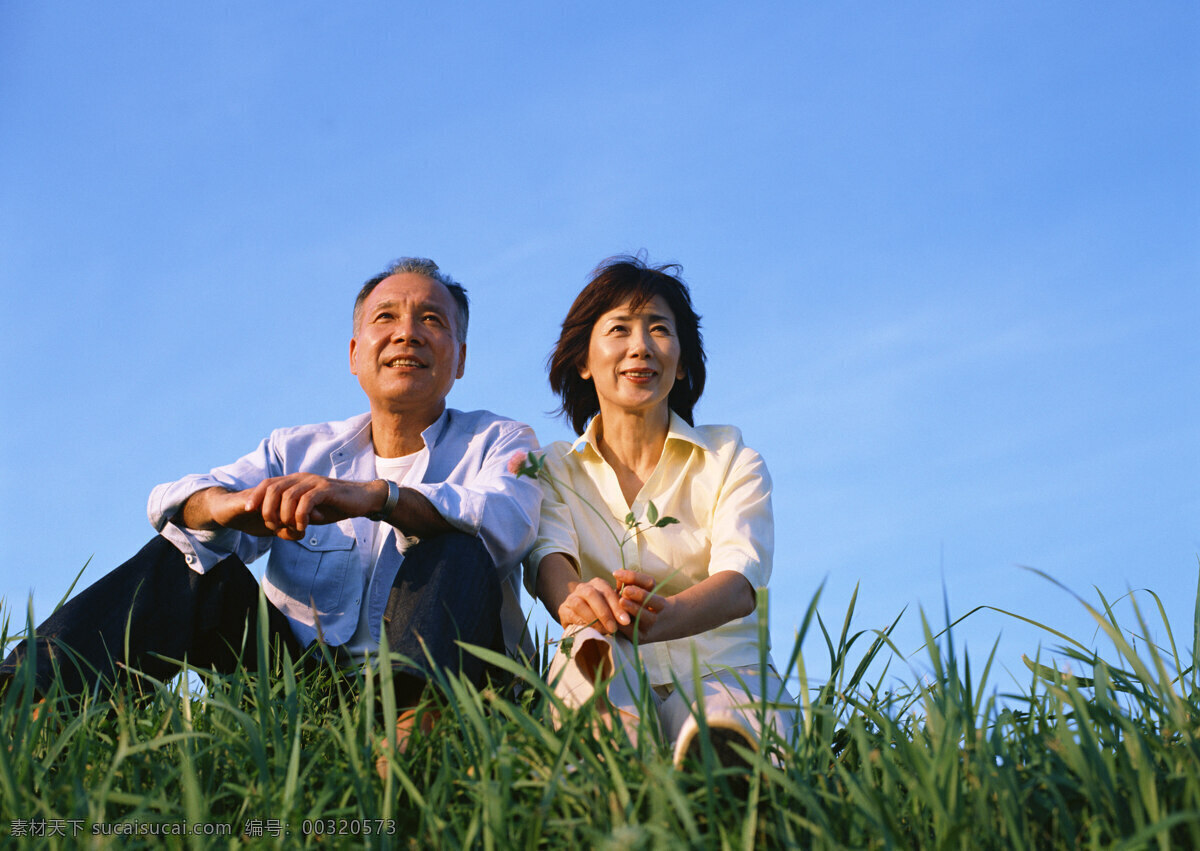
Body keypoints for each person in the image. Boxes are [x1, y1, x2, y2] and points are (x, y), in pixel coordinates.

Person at [1, 257, 542, 736]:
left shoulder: (502, 440)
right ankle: (29, 696)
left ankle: (405, 740)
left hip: (453, 684)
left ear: (461, 359)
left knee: (455, 544)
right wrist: (227, 508)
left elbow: (506, 523)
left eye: (431, 320)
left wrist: (377, 497)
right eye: (386, 318)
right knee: (188, 556)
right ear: (355, 355)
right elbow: (173, 501)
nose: (407, 334)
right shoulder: (296, 450)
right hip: (304, 690)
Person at [523, 255, 796, 767]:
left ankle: (731, 783)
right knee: (585, 650)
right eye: (619, 329)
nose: (640, 348)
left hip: (721, 670)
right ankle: (614, 786)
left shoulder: (731, 457)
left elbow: (740, 583)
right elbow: (548, 559)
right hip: (609, 660)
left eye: (659, 330)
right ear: (583, 360)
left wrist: (662, 618)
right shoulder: (554, 468)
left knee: (731, 737)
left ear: (684, 361)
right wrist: (579, 603)